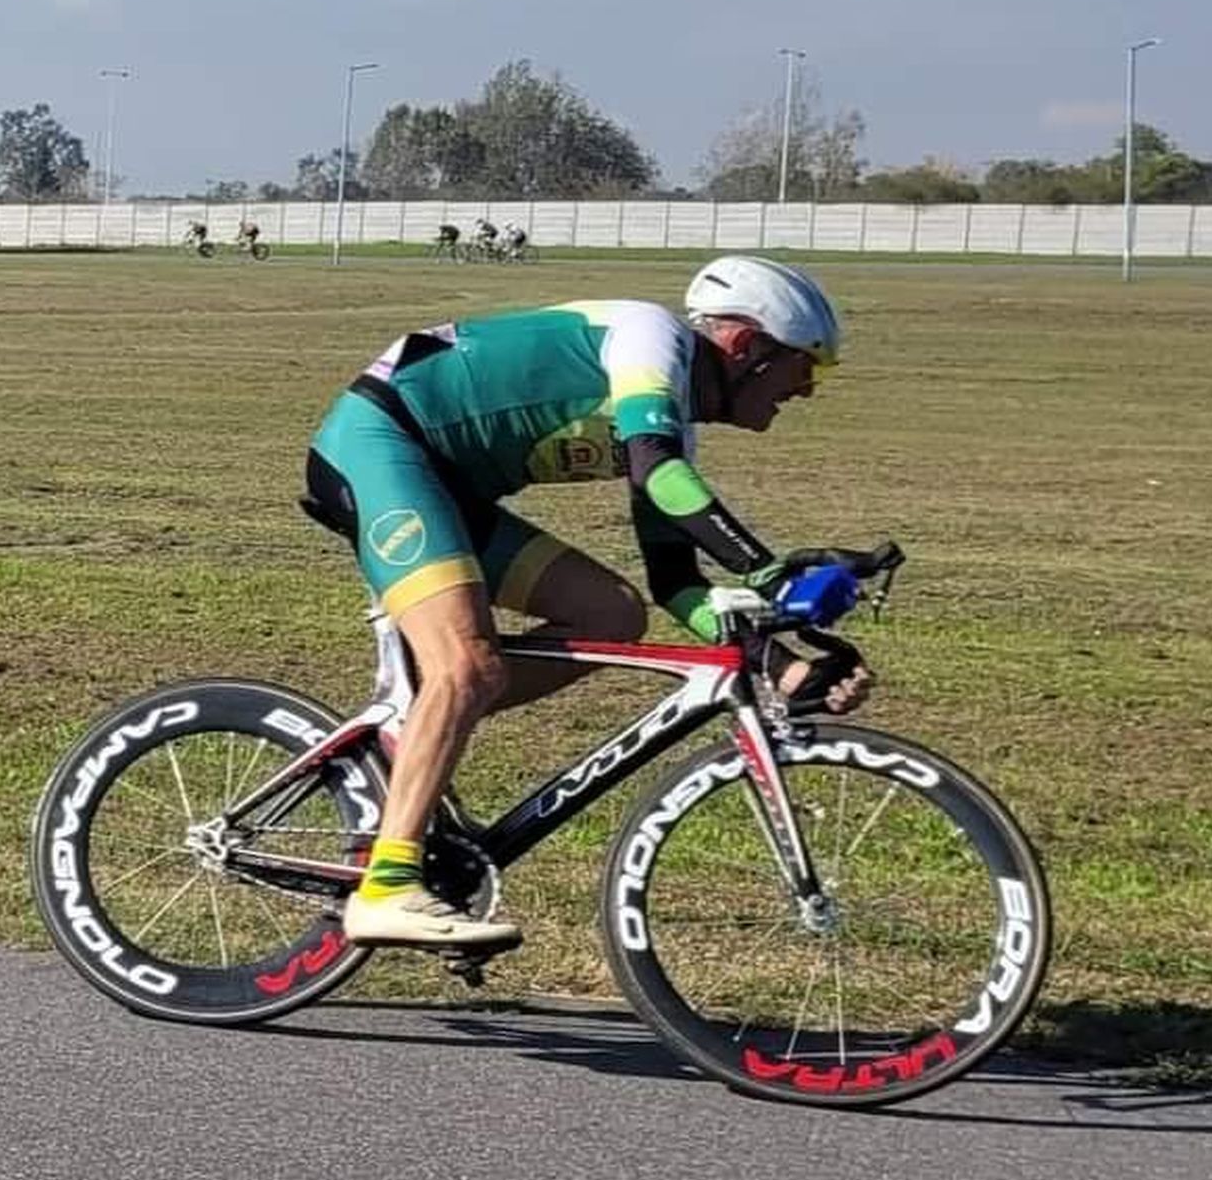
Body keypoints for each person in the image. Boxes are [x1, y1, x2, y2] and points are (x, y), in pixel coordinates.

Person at [302, 255, 871, 952]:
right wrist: (769, 569)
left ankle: (420, 722)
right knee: (467, 665)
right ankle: (386, 889)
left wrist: (780, 664)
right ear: (746, 346)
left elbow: (675, 582)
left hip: (443, 485)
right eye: (806, 366)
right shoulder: (649, 336)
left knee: (614, 614)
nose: (808, 390)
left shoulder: (667, 420)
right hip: (378, 445)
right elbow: (659, 473)